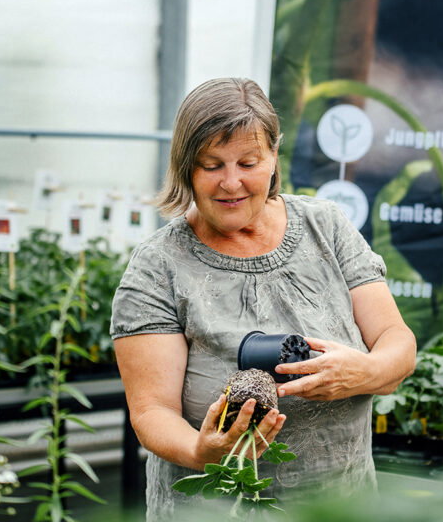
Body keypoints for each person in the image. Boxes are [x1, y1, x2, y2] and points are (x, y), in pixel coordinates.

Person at [110, 77, 416, 519]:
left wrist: (365, 371)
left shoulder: (326, 226)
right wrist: (201, 451)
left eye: (248, 162)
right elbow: (152, 411)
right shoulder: (158, 265)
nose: (231, 182)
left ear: (273, 156)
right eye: (211, 165)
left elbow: (396, 340)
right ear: (185, 167)